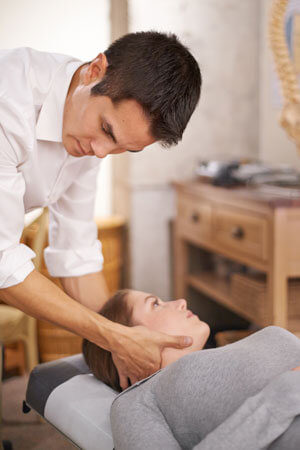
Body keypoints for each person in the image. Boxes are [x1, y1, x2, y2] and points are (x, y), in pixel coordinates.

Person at [0, 31, 201, 388]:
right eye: (105, 129)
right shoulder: (9, 100)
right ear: (95, 70)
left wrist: (127, 346)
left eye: (124, 147)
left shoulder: (93, 138)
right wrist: (114, 337)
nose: (101, 152)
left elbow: (76, 254)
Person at [83, 289, 300, 450]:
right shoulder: (136, 400)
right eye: (155, 304)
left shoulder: (225, 353)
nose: (181, 301)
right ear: (126, 344)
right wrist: (285, 393)